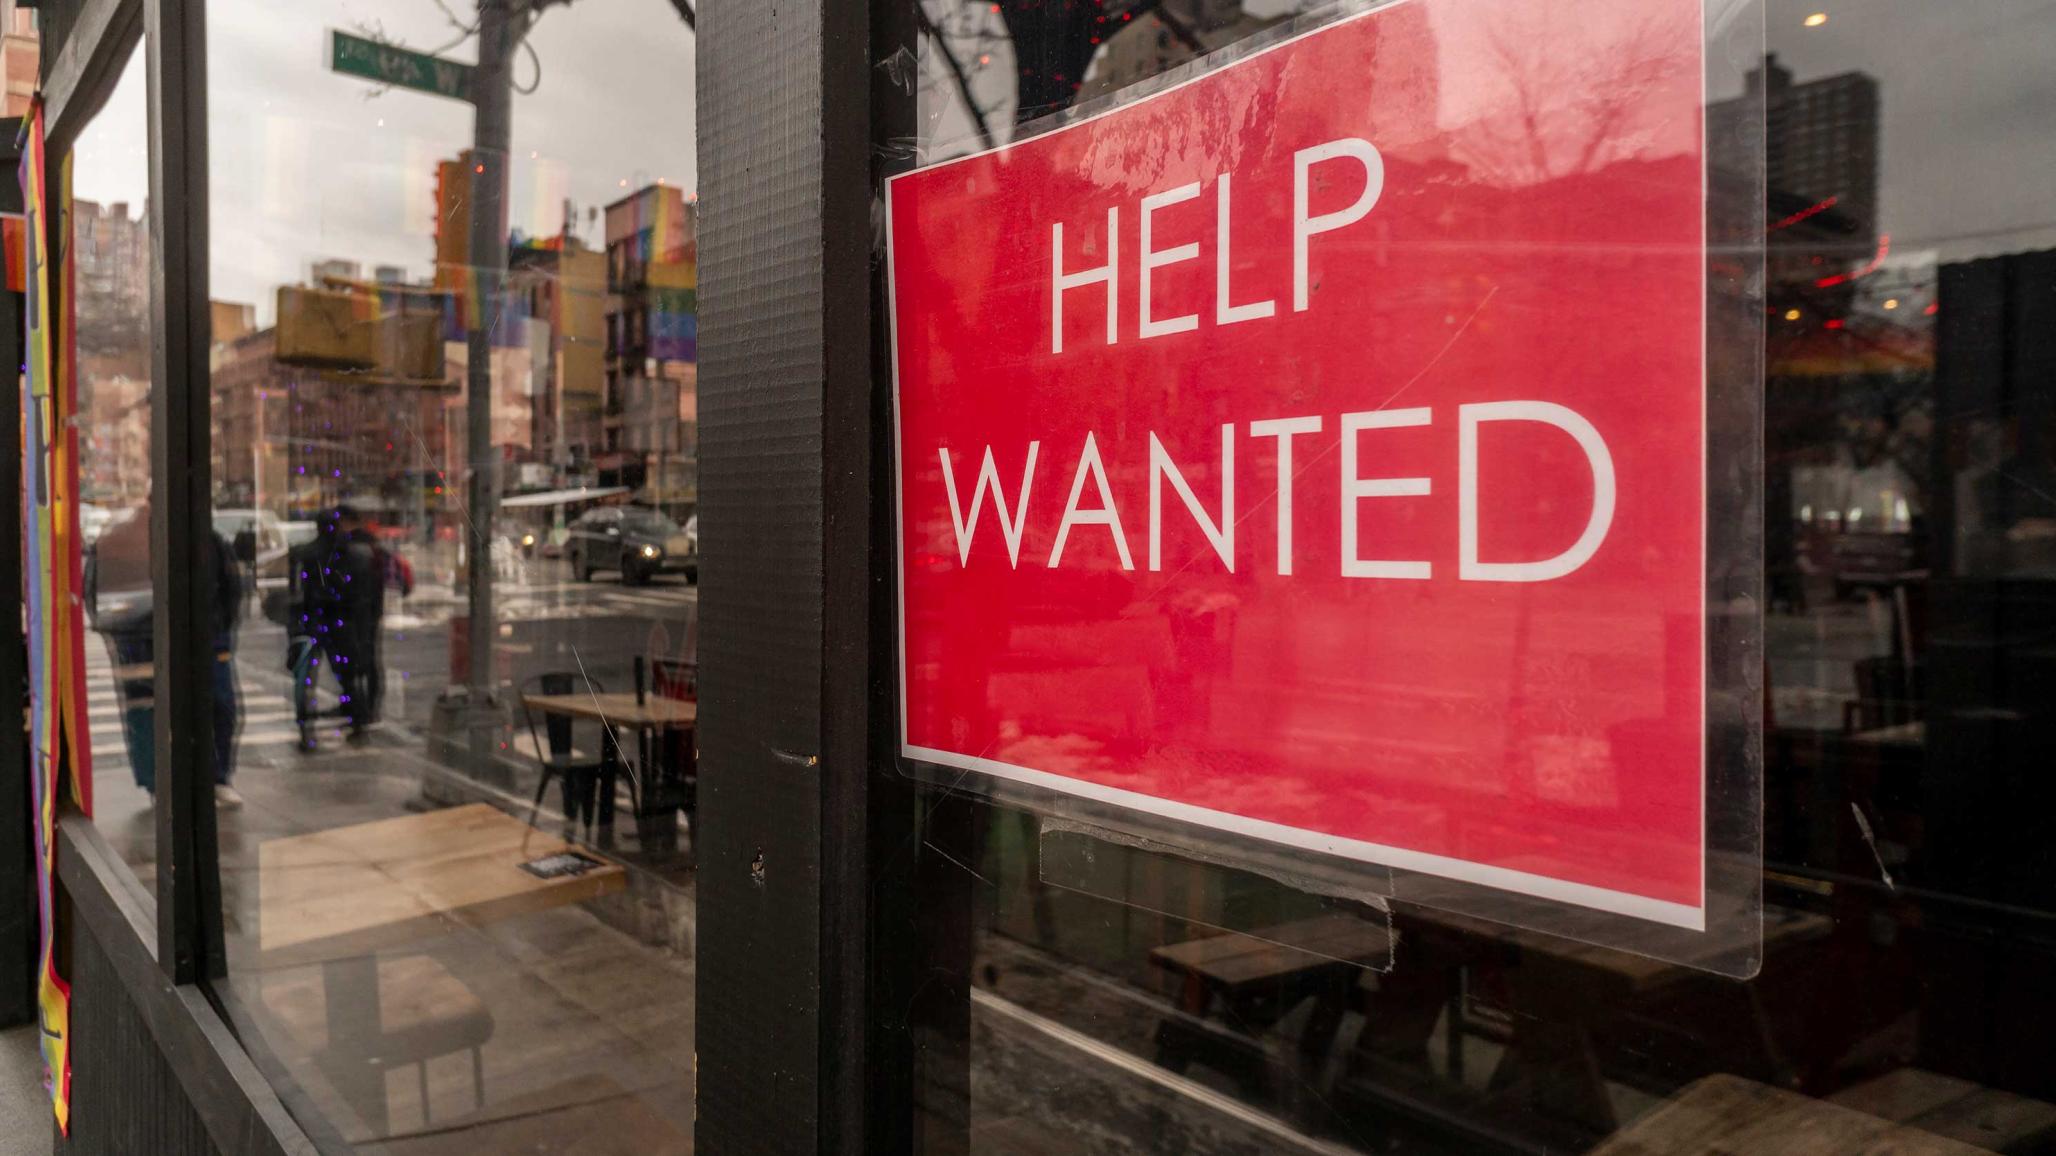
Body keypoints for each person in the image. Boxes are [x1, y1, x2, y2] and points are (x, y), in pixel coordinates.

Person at [82, 502, 246, 809]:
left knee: (216, 705)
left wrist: (219, 630)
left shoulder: (208, 540)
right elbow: (95, 589)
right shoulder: (124, 540)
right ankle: (162, 782)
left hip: (198, 637)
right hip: (145, 639)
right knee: (148, 710)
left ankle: (214, 777)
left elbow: (231, 589)